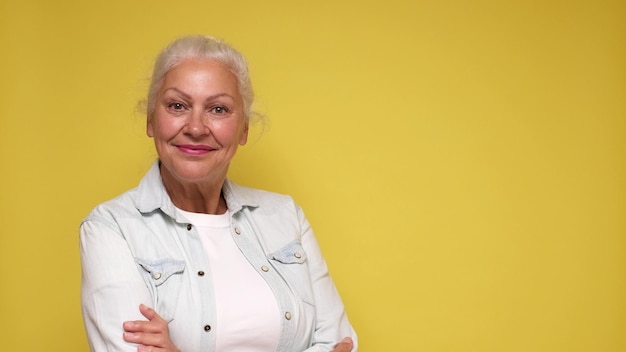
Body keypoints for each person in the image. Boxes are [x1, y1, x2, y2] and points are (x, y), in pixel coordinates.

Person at [79, 35, 357, 352]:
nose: (196, 127)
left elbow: (340, 343)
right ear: (151, 121)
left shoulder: (284, 216)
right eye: (177, 105)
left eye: (218, 109)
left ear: (244, 130)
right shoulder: (111, 227)